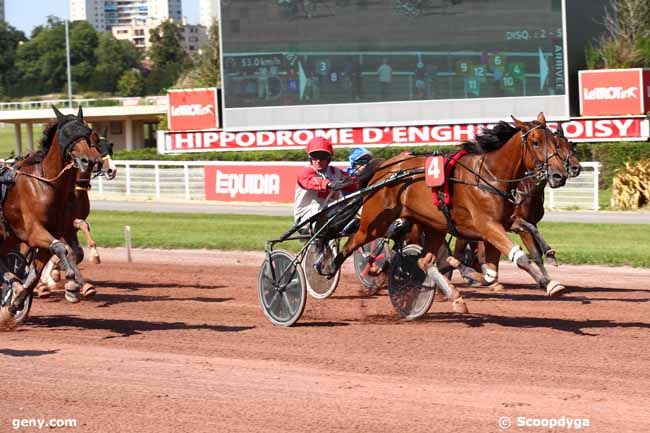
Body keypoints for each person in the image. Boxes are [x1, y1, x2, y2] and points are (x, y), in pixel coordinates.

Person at [293, 137, 359, 228]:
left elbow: (354, 183)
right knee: (320, 209)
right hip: (306, 215)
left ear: (329, 158)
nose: (318, 160)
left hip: (329, 212)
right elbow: (310, 181)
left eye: (322, 157)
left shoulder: (336, 172)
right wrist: (329, 184)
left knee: (352, 208)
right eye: (315, 157)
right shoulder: (307, 171)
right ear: (310, 158)